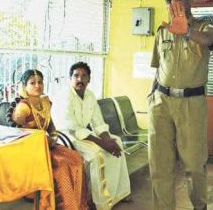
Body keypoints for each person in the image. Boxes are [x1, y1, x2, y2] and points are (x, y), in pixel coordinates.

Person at [148, 0, 213, 209]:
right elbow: (159, 67)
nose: (173, 4)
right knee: (159, 166)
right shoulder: (162, 31)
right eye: (169, 0)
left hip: (191, 105)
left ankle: (200, 206)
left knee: (195, 166)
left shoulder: (206, 27)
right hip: (161, 102)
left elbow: (209, 40)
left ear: (190, 0)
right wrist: (151, 95)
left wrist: (188, 32)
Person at [57, 62, 131, 210]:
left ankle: (118, 193)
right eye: (76, 76)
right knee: (97, 154)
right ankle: (99, 201)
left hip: (82, 134)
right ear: (70, 79)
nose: (80, 79)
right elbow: (71, 126)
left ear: (89, 79)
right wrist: (103, 144)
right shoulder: (65, 95)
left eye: (84, 76)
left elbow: (98, 121)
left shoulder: (90, 95)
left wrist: (108, 140)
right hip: (66, 137)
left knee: (117, 143)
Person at [11, 69, 89, 210]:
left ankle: (80, 205)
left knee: (77, 158)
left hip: (47, 145)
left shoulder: (45, 102)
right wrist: (40, 139)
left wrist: (53, 137)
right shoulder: (23, 106)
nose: (37, 86)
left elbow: (51, 126)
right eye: (32, 83)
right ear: (24, 86)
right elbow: (17, 131)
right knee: (63, 166)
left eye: (40, 82)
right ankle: (65, 206)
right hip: (31, 150)